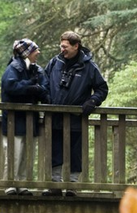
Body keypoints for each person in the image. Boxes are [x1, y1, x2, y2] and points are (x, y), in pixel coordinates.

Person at [43, 31, 109, 196]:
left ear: (76, 46)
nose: (62, 49)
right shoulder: (54, 62)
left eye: (65, 46)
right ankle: (55, 186)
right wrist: (45, 99)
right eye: (61, 46)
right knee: (54, 150)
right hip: (54, 116)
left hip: (76, 117)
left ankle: (72, 186)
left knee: (75, 152)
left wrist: (92, 102)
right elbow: (43, 82)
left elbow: (102, 88)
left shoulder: (89, 66)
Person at [0, 38, 50, 195]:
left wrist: (37, 89)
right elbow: (10, 87)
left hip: (30, 121)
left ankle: (21, 184)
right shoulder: (13, 68)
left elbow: (45, 88)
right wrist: (30, 87)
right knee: (13, 153)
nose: (38, 53)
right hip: (13, 121)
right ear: (27, 53)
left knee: (26, 154)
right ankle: (10, 184)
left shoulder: (36, 69)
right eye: (35, 50)